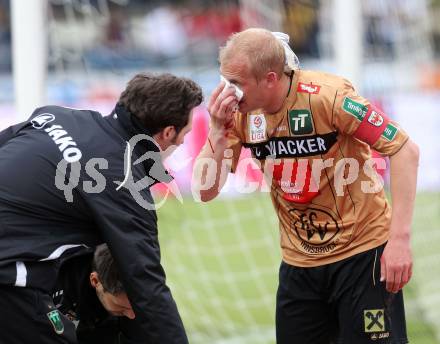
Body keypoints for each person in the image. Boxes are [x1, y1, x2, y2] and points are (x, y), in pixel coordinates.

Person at [193, 28, 419, 343]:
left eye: (237, 83)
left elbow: (405, 149)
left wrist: (399, 241)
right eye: (224, 81)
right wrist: (217, 131)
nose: (227, 92)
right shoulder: (238, 115)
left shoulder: (330, 97)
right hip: (299, 265)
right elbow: (205, 191)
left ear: (270, 79)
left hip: (362, 256)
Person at [0, 72, 203, 344]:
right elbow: (144, 280)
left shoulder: (56, 116)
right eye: (185, 133)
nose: (181, 143)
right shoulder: (124, 182)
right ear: (168, 132)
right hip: (9, 273)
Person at [53, 244, 139, 344]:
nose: (132, 315)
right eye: (121, 307)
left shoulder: (147, 285)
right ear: (95, 281)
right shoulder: (56, 285)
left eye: (135, 306)